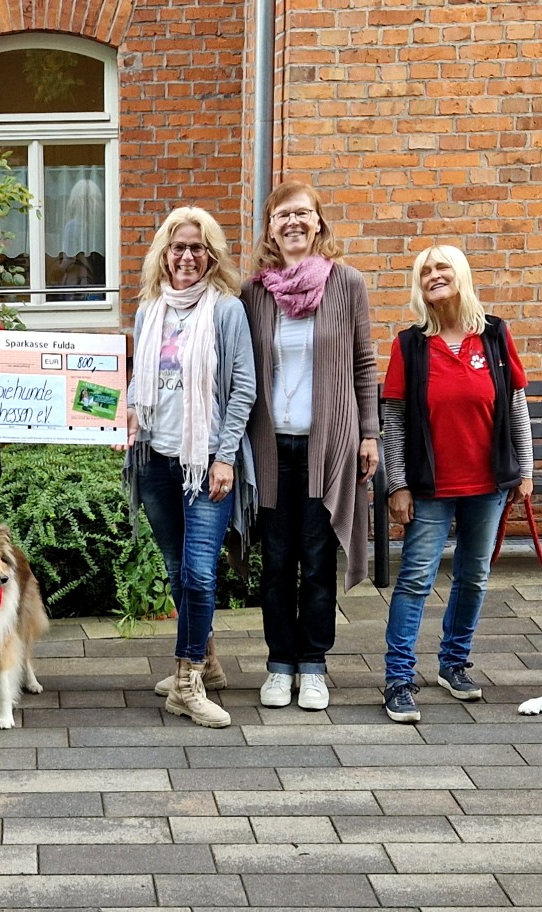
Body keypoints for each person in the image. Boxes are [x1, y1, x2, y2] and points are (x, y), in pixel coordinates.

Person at [380, 245, 534, 723]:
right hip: (429, 487)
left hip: (487, 485)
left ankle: (453, 663)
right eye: (425, 271)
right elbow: (394, 419)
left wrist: (524, 470)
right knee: (415, 580)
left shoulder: (494, 334)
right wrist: (397, 485)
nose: (433, 275)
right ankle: (399, 680)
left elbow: (516, 406)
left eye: (442, 267)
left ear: (461, 275)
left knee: (474, 575)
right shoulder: (409, 345)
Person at [240, 183, 380, 711]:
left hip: (330, 447)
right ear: (271, 227)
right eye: (283, 215)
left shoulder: (347, 284)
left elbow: (365, 364)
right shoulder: (254, 293)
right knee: (276, 562)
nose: (294, 222)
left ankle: (314, 665)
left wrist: (369, 432)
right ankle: (280, 665)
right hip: (271, 450)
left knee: (318, 560)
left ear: (319, 222)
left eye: (303, 213)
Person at [121, 207, 257, 728]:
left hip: (206, 464)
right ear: (163, 252)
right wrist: (127, 417)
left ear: (211, 255)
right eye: (178, 246)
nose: (186, 256)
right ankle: (208, 660)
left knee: (200, 575)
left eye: (197, 247)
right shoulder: (150, 309)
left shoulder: (226, 311)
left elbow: (243, 388)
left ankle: (186, 682)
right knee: (179, 570)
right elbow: (138, 383)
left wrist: (225, 456)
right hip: (155, 457)